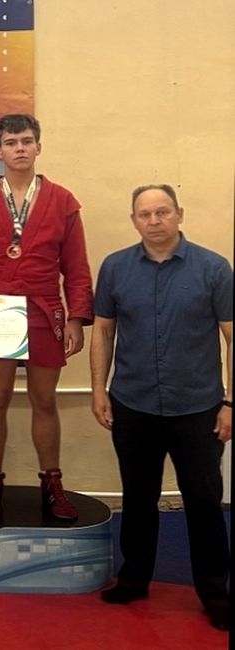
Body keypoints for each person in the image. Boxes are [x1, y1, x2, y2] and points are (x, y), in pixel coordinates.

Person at [90, 184, 231, 631]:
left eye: (163, 212)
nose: (154, 221)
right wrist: (98, 390)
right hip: (133, 404)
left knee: (204, 502)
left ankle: (215, 592)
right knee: (138, 497)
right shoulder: (115, 268)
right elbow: (103, 332)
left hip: (199, 408)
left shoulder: (214, 268)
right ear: (134, 220)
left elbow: (232, 336)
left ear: (179, 214)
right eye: (145, 214)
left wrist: (230, 402)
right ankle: (134, 579)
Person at [0, 114, 92, 520]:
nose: (20, 149)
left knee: (44, 400)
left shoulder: (62, 201)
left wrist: (77, 317)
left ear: (38, 147)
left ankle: (53, 483)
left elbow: (77, 268)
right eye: (11, 142)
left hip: (44, 308)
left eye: (27, 141)